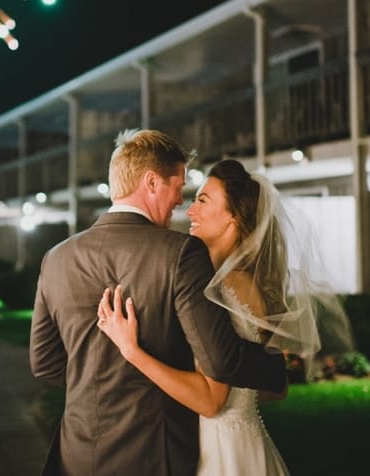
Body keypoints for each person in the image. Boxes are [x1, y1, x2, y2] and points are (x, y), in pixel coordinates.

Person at [30, 130, 287, 476]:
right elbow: (221, 362)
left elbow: (44, 363)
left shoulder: (56, 258)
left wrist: (100, 380)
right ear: (151, 182)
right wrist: (276, 369)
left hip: (78, 452)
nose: (182, 201)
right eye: (178, 187)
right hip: (155, 451)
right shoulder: (181, 253)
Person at [97, 158, 353, 475]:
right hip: (248, 440)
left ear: (232, 217)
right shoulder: (253, 283)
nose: (190, 211)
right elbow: (276, 386)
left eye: (202, 201)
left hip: (218, 451)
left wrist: (131, 351)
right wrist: (239, 398)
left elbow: (210, 402)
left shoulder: (217, 287)